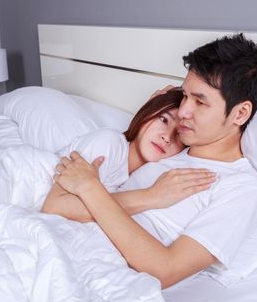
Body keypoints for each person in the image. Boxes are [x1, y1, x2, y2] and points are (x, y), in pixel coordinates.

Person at [53, 33, 257, 289]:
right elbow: (64, 207)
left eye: (200, 102)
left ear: (240, 113)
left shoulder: (242, 188)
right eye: (184, 96)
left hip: (93, 270)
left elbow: (166, 270)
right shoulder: (168, 152)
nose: (183, 111)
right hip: (63, 240)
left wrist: (90, 187)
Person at [42, 88, 216, 221]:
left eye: (179, 134)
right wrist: (152, 196)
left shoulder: (144, 178)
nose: (167, 137)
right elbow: (54, 206)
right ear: (148, 114)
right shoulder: (109, 143)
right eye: (163, 120)